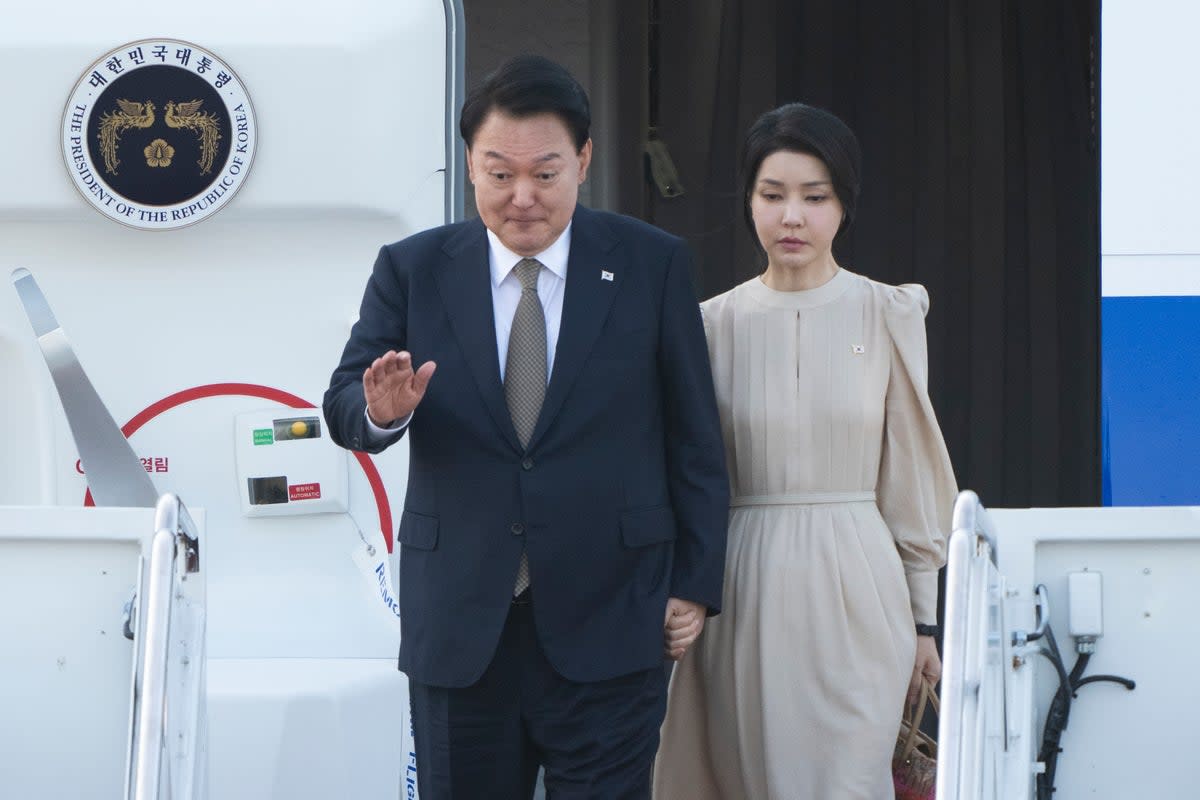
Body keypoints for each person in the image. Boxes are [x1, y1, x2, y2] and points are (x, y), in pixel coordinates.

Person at [323, 54, 729, 800]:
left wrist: (696, 584)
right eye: (498, 172)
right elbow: (346, 402)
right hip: (462, 622)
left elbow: (694, 436)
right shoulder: (414, 269)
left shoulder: (651, 264)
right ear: (470, 166)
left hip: (614, 613)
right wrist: (382, 413)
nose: (521, 197)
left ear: (583, 160)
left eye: (545, 173)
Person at [653, 102, 957, 799]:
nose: (793, 216)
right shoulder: (707, 325)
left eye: (814, 198)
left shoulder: (889, 313)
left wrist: (923, 623)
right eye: (773, 195)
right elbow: (683, 472)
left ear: (843, 206)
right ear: (749, 202)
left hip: (861, 585)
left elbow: (909, 475)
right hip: (740, 587)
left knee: (851, 779)